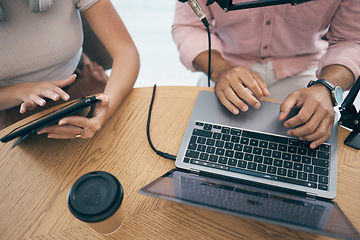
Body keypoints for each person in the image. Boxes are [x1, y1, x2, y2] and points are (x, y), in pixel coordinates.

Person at [172, 0, 360, 149]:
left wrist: (326, 88)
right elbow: (189, 27)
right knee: (202, 144)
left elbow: (351, 40)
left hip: (306, 71)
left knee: (305, 149)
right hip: (224, 64)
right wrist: (220, 69)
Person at [0, 0, 140, 139]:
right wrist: (18, 91)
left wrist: (106, 109)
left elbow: (126, 52)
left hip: (84, 88)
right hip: (9, 111)